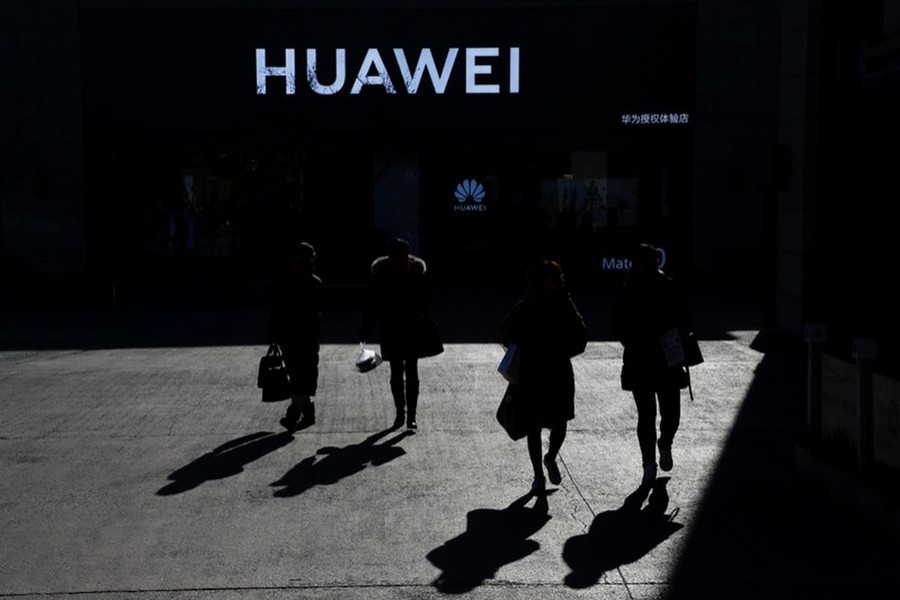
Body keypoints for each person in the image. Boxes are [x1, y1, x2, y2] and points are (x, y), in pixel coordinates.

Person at [500, 260, 588, 492]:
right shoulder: (529, 304)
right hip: (533, 372)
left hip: (558, 370)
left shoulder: (565, 303)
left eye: (558, 277)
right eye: (553, 277)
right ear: (542, 280)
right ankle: (538, 475)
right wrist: (527, 349)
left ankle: (550, 457)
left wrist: (560, 350)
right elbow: (506, 331)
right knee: (534, 425)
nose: (558, 281)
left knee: (560, 421)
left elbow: (581, 335)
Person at [611, 243, 694, 485]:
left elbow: (686, 317)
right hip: (645, 357)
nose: (650, 265)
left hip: (661, 356)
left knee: (670, 414)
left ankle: (664, 443)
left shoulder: (667, 286)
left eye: (652, 260)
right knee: (646, 415)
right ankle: (649, 461)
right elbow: (618, 325)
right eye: (646, 260)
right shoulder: (629, 290)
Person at [360, 237, 435, 431]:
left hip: (408, 326)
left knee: (410, 371)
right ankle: (402, 414)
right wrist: (366, 330)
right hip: (393, 327)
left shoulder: (413, 271)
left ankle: (409, 415)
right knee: (397, 372)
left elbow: (426, 298)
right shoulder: (384, 272)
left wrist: (416, 310)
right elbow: (374, 303)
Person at [268, 241, 323, 433]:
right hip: (289, 336)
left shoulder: (313, 283)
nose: (296, 265)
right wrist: (274, 333)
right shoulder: (285, 283)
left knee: (302, 375)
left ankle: (294, 413)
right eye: (294, 261)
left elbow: (315, 312)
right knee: (296, 374)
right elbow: (276, 311)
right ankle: (307, 411)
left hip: (306, 337)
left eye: (300, 262)